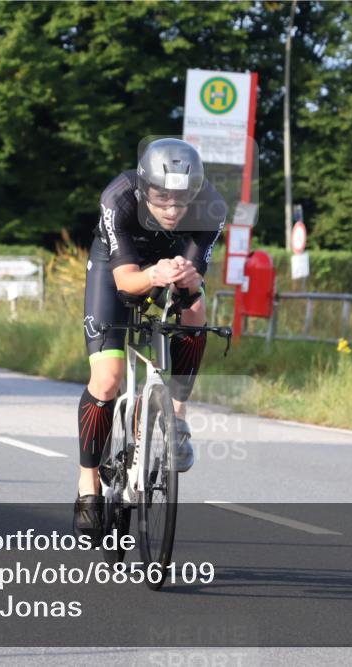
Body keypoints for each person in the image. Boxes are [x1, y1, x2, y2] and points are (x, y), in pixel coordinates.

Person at [74, 138, 227, 535]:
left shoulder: (212, 206)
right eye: (162, 198)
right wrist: (153, 275)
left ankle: (177, 415)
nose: (173, 209)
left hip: (171, 262)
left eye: (182, 199)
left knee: (195, 307)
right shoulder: (119, 197)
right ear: (144, 189)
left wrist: (186, 280)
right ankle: (88, 483)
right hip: (115, 265)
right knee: (107, 380)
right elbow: (126, 282)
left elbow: (192, 279)